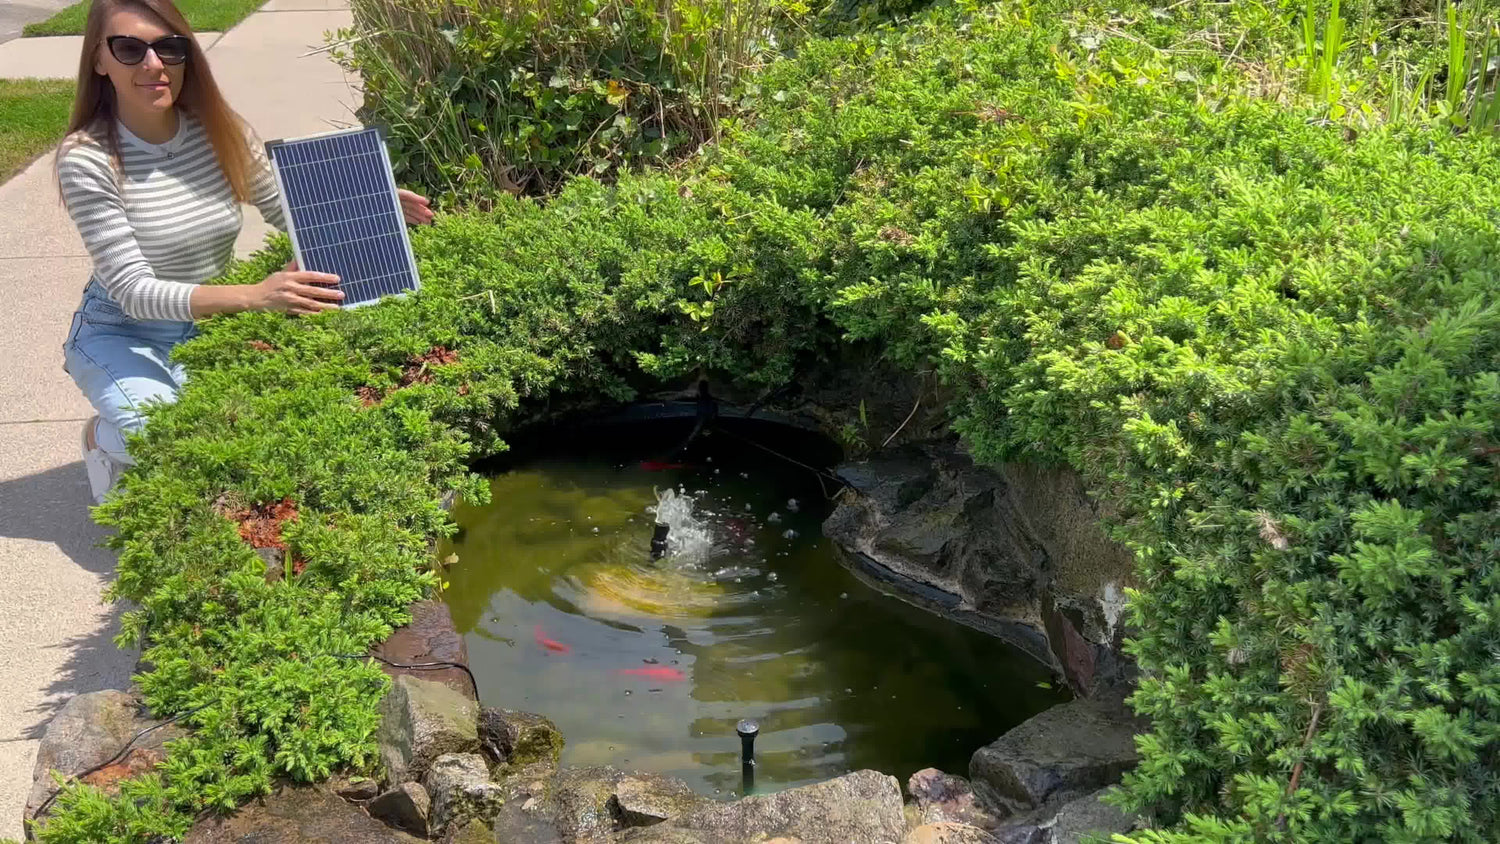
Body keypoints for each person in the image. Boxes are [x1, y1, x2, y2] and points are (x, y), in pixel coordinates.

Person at [55, 0, 434, 504]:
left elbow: (287, 209)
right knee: (171, 438)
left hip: (204, 324)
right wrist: (258, 295)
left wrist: (369, 203)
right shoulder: (88, 159)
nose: (153, 65)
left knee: (235, 432)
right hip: (120, 331)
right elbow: (134, 293)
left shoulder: (217, 129)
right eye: (129, 48)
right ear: (99, 60)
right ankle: (101, 439)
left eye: (169, 48)